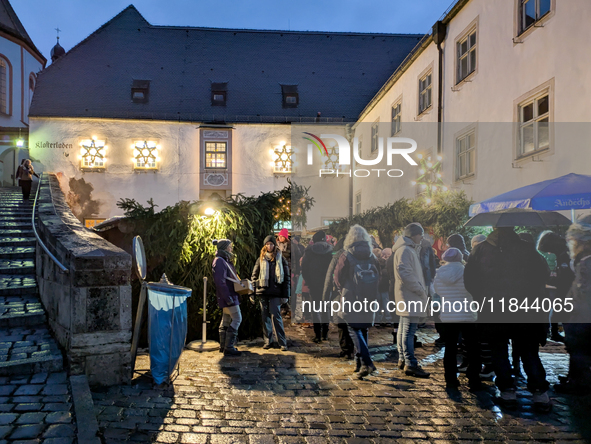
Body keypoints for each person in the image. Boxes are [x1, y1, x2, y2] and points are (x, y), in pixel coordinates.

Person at [464, 227, 551, 411]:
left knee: (499, 352)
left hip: (493, 310)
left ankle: (508, 392)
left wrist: (483, 297)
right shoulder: (527, 249)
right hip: (525, 310)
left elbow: (469, 280)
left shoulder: (480, 250)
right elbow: (543, 274)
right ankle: (539, 394)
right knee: (529, 352)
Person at [334, 225, 379, 379]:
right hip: (368, 295)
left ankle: (367, 362)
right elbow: (378, 273)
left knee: (353, 328)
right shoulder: (371, 254)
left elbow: (338, 276)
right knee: (363, 328)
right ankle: (359, 363)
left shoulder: (346, 255)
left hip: (351, 295)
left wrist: (342, 289)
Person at [433, 248, 482, 390]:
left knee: (450, 347)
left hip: (448, 314)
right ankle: (473, 378)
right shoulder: (467, 270)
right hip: (467, 312)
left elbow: (437, 291)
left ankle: (450, 378)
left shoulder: (439, 272)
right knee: (472, 347)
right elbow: (473, 289)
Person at [552, 217, 591, 395]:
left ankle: (578, 383)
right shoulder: (583, 260)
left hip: (582, 319)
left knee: (579, 351)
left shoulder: (586, 262)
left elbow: (582, 293)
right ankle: (574, 379)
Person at [392, 223, 430, 378]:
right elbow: (405, 273)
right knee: (408, 330)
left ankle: (403, 359)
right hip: (410, 295)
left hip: (407, 294)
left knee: (404, 328)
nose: (422, 237)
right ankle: (410, 362)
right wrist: (419, 290)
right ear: (413, 234)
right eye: (420, 234)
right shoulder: (406, 250)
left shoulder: (407, 249)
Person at [251, 235, 290, 351]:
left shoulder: (280, 259)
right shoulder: (260, 259)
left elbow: (286, 278)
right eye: (267, 244)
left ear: (275, 245)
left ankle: (282, 342)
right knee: (265, 317)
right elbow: (254, 276)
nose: (269, 246)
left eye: (271, 244)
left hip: (276, 292)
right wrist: (252, 293)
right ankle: (268, 341)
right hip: (262, 292)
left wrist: (285, 295)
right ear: (265, 245)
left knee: (276, 317)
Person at [537, 231, 574, 342]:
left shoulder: (560, 255)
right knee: (559, 309)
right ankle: (555, 332)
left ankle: (554, 332)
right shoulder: (561, 253)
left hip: (559, 286)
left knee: (558, 309)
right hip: (561, 286)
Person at [322, 238, 354, 359]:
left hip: (340, 294)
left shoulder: (338, 256)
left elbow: (329, 278)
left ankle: (346, 349)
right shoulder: (362, 254)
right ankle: (357, 348)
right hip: (358, 295)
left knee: (341, 322)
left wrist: (325, 298)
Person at [301, 230, 333, 343]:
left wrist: (309, 281)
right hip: (327, 284)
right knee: (326, 308)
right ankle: (325, 334)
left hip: (314, 284)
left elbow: (304, 268)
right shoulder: (330, 251)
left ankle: (318, 335)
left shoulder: (309, 251)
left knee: (316, 309)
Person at [212, 239, 242, 356]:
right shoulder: (220, 261)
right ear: (224, 248)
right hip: (228, 295)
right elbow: (220, 282)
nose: (231, 248)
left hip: (227, 295)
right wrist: (228, 297)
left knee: (226, 320)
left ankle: (223, 346)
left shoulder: (222, 260)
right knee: (237, 319)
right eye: (229, 246)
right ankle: (228, 347)